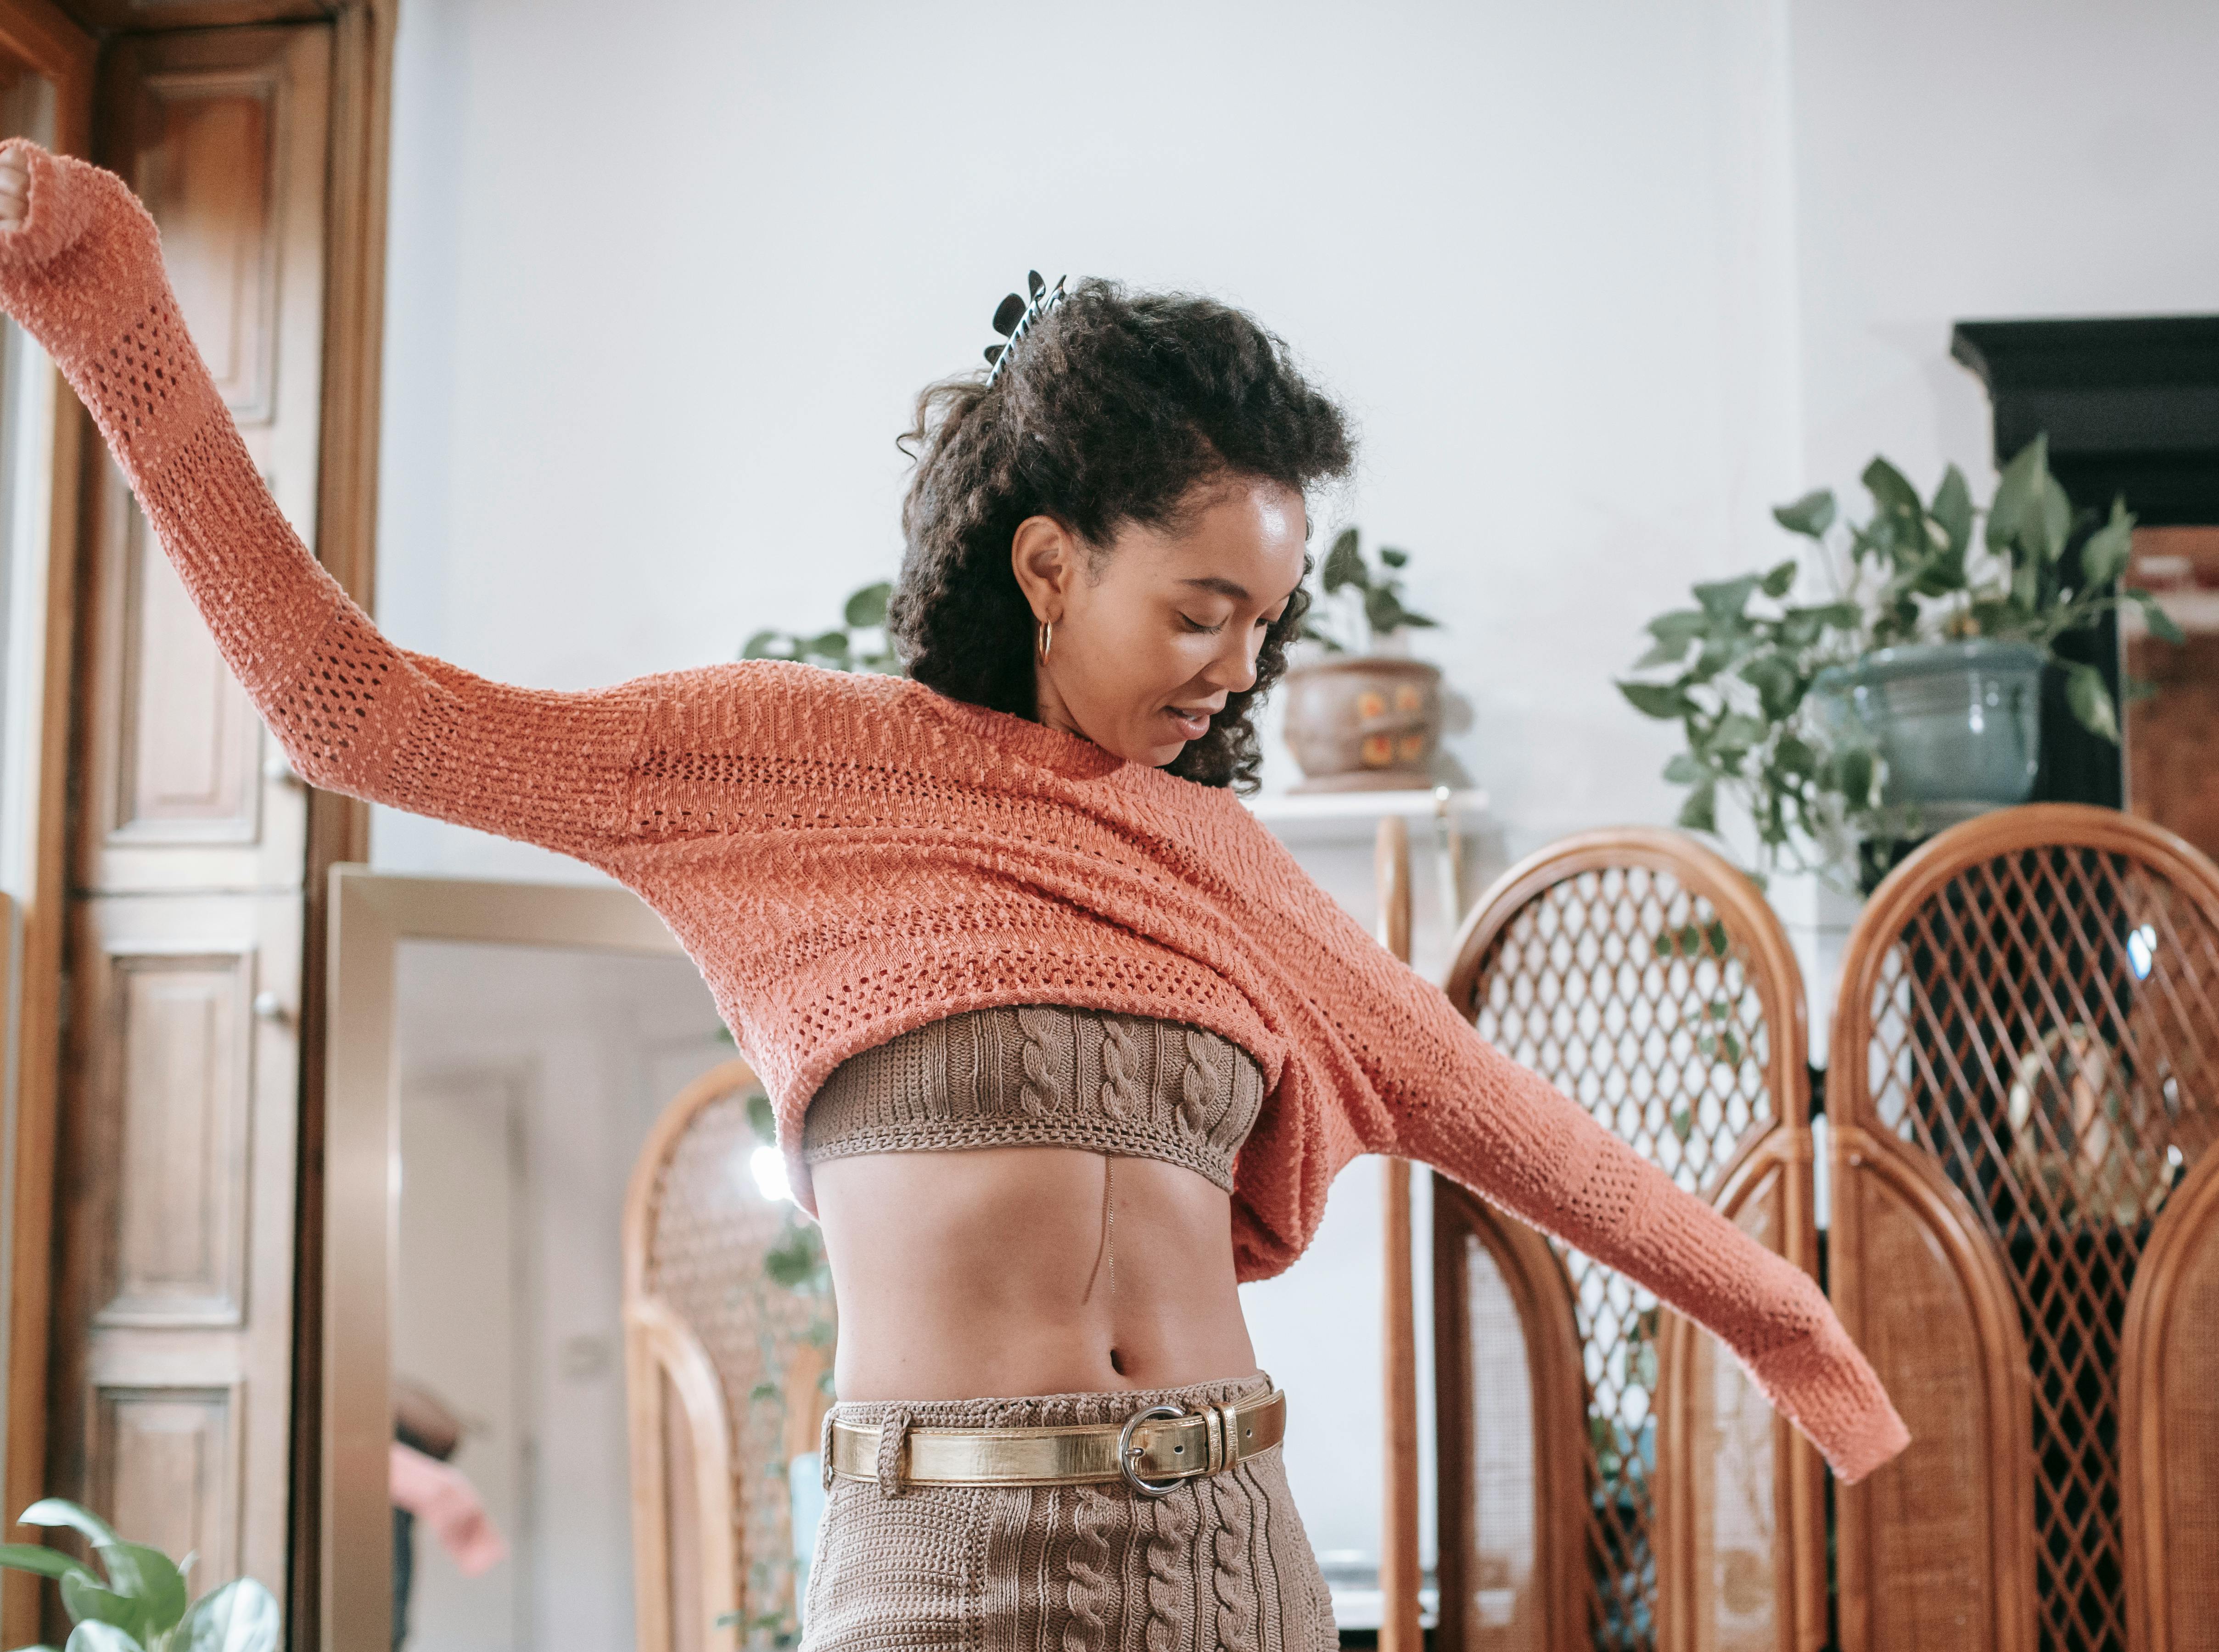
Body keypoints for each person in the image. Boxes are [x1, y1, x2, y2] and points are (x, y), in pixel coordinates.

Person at [0, 141, 1908, 1652]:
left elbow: (1532, 1136)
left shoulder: (1226, 868)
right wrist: (109, 300)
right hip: (938, 1579)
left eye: (1269, 623)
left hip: (1235, 1561)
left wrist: (1808, 1348)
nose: (1239, 669)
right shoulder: (775, 769)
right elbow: (354, 716)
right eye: (1202, 610)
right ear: (1054, 562)